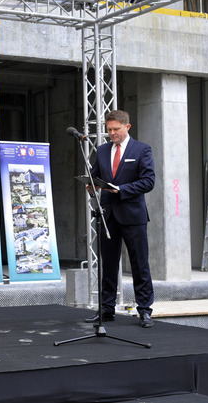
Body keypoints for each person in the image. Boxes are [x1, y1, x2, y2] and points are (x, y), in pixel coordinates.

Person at [85, 109, 156, 328]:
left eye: (116, 129)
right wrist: (90, 185)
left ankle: (144, 310)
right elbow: (95, 176)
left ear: (127, 127)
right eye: (109, 130)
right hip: (107, 215)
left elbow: (148, 181)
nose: (112, 133)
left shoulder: (142, 149)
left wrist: (121, 189)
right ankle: (106, 309)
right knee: (108, 264)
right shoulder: (102, 150)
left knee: (139, 264)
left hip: (133, 216)